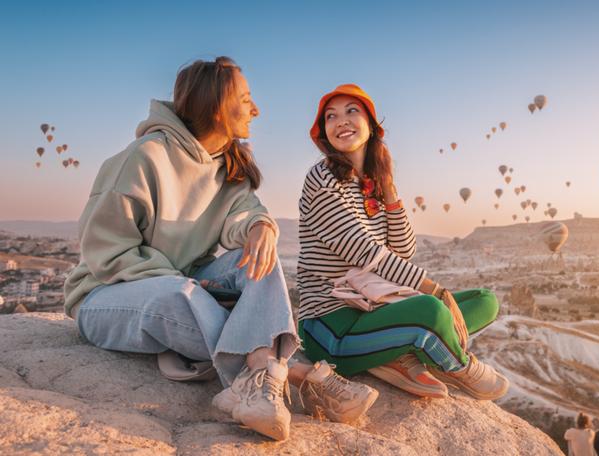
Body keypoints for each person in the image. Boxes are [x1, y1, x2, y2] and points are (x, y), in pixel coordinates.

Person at [64, 57, 377, 442]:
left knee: (256, 261)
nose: (256, 109)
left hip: (183, 283)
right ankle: (297, 374)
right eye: (246, 99)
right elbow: (105, 253)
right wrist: (185, 281)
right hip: (104, 296)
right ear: (215, 106)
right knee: (180, 294)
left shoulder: (227, 166)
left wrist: (261, 227)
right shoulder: (144, 157)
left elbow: (245, 213)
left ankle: (260, 377)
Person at [296, 83, 509, 400]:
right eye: (331, 116)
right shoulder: (322, 177)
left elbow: (404, 250)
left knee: (484, 300)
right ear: (324, 133)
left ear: (371, 124)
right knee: (430, 307)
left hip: (376, 309)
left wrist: (390, 191)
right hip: (331, 325)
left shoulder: (372, 184)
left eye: (351, 111)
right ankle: (460, 367)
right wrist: (436, 290)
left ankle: (398, 355)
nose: (341, 121)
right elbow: (362, 251)